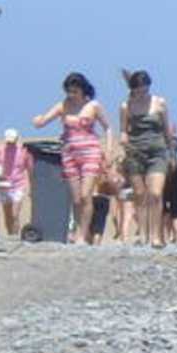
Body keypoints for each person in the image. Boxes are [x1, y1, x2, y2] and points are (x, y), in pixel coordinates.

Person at [34, 72, 107, 245]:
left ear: (82, 90)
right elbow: (44, 120)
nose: (71, 95)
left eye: (75, 91)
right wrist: (38, 121)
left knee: (86, 195)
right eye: (69, 91)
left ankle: (82, 234)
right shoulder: (63, 105)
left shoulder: (93, 106)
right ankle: (80, 230)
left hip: (90, 152)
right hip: (70, 153)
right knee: (76, 199)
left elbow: (108, 127)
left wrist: (109, 149)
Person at [116, 70, 175, 248]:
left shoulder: (159, 103)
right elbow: (123, 130)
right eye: (138, 88)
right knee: (140, 194)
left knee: (155, 193)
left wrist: (171, 153)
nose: (142, 91)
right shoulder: (126, 106)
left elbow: (166, 130)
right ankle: (142, 234)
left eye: (145, 88)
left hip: (157, 152)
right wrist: (123, 140)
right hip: (135, 152)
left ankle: (156, 235)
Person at [0, 128, 32, 238]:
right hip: (3, 186)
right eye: (8, 141)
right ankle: (10, 235)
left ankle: (15, 237)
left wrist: (32, 187)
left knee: (15, 214)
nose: (10, 144)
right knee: (7, 215)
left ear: (16, 139)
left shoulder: (23, 152)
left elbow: (30, 170)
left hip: (18, 185)